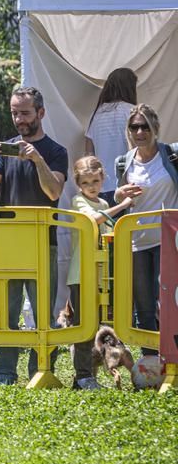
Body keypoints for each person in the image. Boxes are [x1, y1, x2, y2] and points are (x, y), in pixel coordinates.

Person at [0, 86, 68, 385]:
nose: (19, 119)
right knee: (7, 313)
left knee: (44, 313)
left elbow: (54, 191)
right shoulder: (7, 150)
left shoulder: (56, 152)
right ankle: (5, 374)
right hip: (9, 244)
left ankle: (40, 370)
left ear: (41, 113)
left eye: (25, 113)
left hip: (44, 244)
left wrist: (37, 160)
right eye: (15, 113)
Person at [112, 104, 178, 357]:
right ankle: (149, 363)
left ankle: (171, 357)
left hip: (169, 242)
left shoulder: (171, 154)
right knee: (144, 307)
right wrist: (119, 193)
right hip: (137, 243)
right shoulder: (123, 162)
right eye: (134, 127)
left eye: (144, 126)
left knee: (170, 304)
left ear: (155, 128)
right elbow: (117, 198)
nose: (139, 132)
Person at [68, 157, 135, 389]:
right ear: (78, 184)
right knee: (84, 327)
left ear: (102, 178)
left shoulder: (104, 204)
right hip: (80, 275)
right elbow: (94, 221)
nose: (92, 186)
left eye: (95, 181)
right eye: (86, 182)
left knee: (97, 327)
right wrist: (123, 205)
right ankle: (82, 376)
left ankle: (89, 375)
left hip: (100, 275)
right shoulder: (77, 200)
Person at [85, 68, 137, 203]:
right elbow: (139, 151)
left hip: (99, 187)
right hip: (126, 186)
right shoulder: (131, 111)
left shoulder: (95, 115)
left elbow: (89, 153)